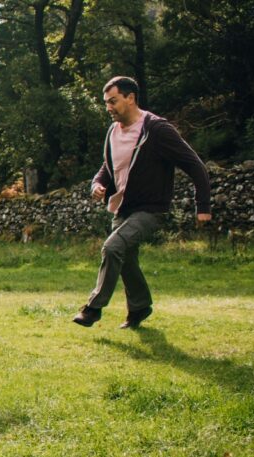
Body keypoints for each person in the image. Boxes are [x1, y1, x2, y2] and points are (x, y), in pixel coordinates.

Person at [73, 76, 211, 328]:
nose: (109, 108)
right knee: (125, 259)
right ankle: (139, 307)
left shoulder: (156, 130)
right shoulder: (113, 131)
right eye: (106, 103)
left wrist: (203, 206)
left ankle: (92, 309)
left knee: (113, 248)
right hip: (122, 207)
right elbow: (108, 165)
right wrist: (97, 183)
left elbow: (195, 165)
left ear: (131, 97)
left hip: (151, 208)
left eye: (113, 101)